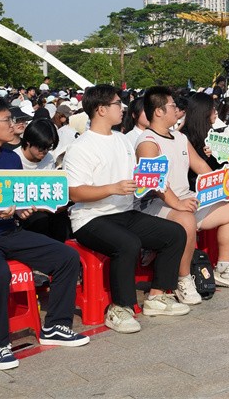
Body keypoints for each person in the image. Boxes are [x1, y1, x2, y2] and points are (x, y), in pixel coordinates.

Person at [0, 97, 88, 370]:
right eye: (7, 120)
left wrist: (21, 209)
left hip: (9, 232)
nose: (14, 125)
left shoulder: (11, 158)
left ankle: (56, 326)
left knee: (67, 257)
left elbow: (14, 200)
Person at [65, 85, 189, 334]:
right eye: (116, 104)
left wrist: (149, 180)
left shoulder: (122, 140)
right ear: (101, 110)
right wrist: (112, 188)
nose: (121, 108)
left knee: (175, 233)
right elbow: (74, 192)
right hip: (91, 218)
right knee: (128, 244)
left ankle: (157, 296)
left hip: (124, 211)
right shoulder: (81, 147)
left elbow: (137, 176)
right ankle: (120, 308)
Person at [135, 86, 229, 302]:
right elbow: (155, 182)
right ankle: (183, 279)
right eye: (172, 105)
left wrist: (223, 190)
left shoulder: (179, 137)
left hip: (184, 199)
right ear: (158, 111)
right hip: (155, 204)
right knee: (186, 219)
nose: (177, 109)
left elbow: (200, 166)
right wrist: (177, 203)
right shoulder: (147, 142)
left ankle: (224, 267)